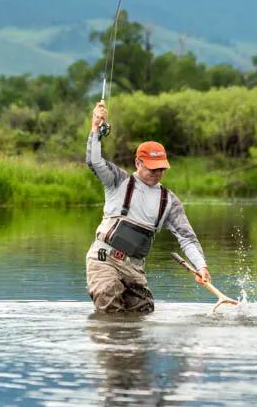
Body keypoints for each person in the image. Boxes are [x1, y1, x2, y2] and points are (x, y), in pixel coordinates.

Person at [85, 100, 210, 313]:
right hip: (103, 260)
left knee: (143, 314)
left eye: (161, 168)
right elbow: (94, 161)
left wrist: (201, 267)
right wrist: (95, 128)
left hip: (134, 268)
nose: (156, 173)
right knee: (109, 298)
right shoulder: (118, 181)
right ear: (138, 163)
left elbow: (187, 238)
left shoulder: (169, 201)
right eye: (152, 168)